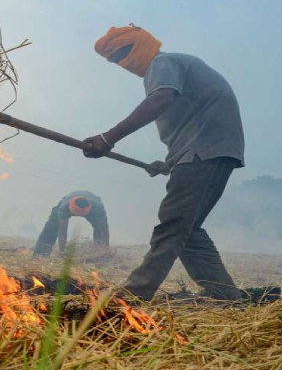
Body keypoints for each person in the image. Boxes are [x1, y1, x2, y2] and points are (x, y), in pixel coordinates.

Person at [82, 24, 245, 300]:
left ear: (143, 43)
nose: (123, 62)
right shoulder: (176, 65)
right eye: (116, 59)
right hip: (210, 152)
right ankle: (225, 294)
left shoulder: (163, 62)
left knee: (172, 224)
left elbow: (161, 100)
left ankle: (134, 293)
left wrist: (108, 138)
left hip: (203, 152)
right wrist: (169, 163)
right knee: (187, 229)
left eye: (124, 52)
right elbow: (194, 120)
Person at [33, 190, 109, 256]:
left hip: (93, 208)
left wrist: (105, 252)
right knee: (52, 227)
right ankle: (40, 254)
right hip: (68, 202)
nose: (79, 216)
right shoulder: (64, 208)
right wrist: (62, 252)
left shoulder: (98, 209)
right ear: (70, 208)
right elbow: (62, 230)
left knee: (100, 230)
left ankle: (99, 255)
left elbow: (104, 230)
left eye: (82, 214)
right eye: (77, 213)